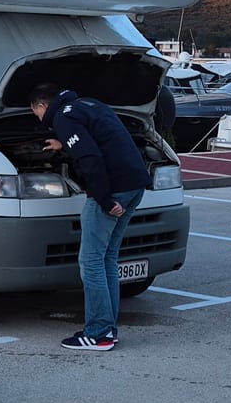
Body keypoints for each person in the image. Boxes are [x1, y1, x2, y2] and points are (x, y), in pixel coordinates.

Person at [28, 82, 148, 352]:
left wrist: (104, 200)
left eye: (36, 113)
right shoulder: (88, 104)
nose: (38, 119)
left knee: (91, 261)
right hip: (135, 184)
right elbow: (102, 141)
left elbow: (91, 158)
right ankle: (108, 329)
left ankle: (98, 333)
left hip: (113, 190)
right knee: (107, 258)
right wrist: (64, 144)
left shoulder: (64, 117)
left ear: (42, 106)